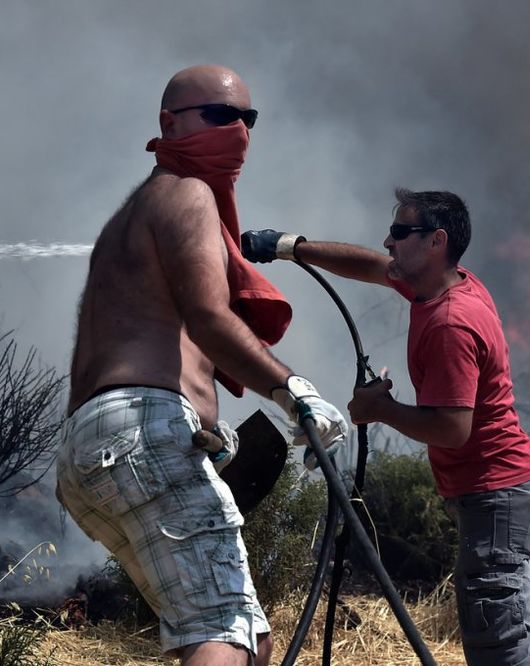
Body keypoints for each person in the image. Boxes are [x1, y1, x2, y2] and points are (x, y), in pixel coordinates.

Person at [55, 64, 349, 666]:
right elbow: (210, 318)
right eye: (219, 115)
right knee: (220, 627)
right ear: (169, 123)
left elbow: (158, 339)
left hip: (104, 445)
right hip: (139, 428)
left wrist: (198, 430)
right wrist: (293, 391)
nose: (238, 130)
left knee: (252, 638)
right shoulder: (185, 195)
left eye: (249, 118)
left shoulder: (135, 217)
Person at [242, 189, 530, 666]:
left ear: (435, 242)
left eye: (402, 232)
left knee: (498, 642)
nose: (388, 240)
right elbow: (368, 265)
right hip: (497, 492)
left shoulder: (451, 322)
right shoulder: (443, 283)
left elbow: (452, 429)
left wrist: (378, 408)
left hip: (497, 493)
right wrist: (289, 246)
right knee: (505, 632)